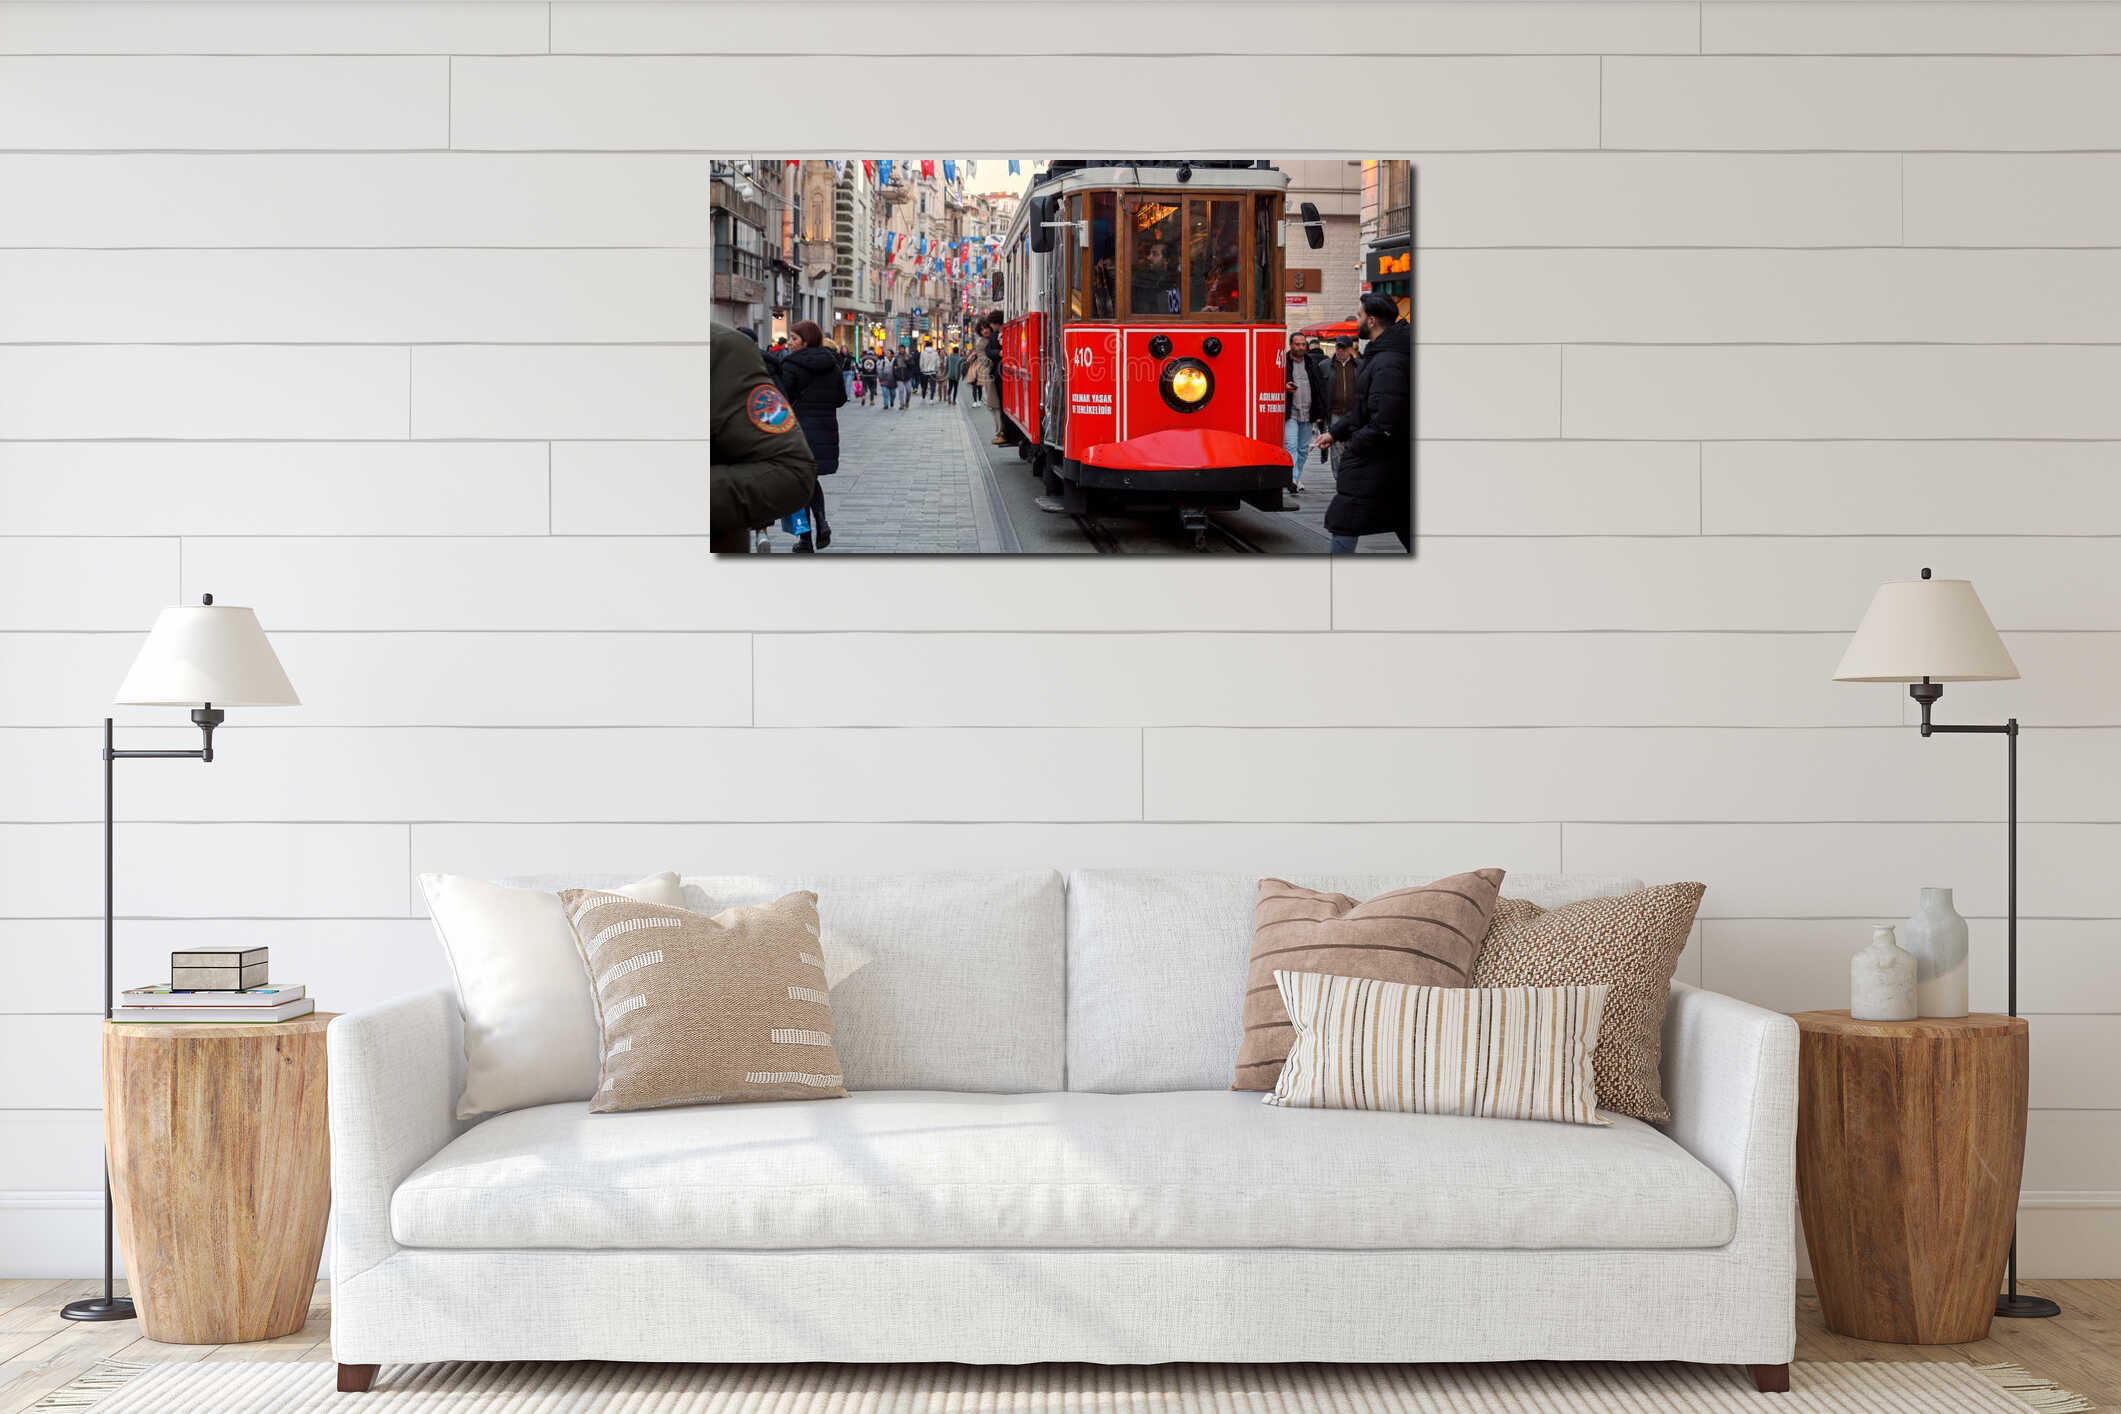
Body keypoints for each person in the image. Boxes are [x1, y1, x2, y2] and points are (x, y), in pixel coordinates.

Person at [1312, 294, 1411, 553]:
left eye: (1358, 316)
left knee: (1344, 520)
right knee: (1403, 520)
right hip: (1386, 463)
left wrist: (1355, 446)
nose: (1356, 321)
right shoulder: (1381, 356)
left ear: (1372, 320)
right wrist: (1334, 433)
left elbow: (1385, 422)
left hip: (1375, 461)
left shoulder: (1387, 361)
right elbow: (1363, 409)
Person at [708, 322, 815, 553]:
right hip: (793, 427)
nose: (791, 342)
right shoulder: (776, 361)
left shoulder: (721, 350)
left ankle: (800, 535)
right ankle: (807, 533)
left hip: (771, 432)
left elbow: (791, 471)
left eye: (795, 338)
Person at [776, 320, 845, 552]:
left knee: (801, 482)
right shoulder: (832, 364)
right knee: (810, 479)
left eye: (794, 338)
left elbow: (783, 399)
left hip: (799, 430)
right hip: (825, 429)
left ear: (805, 341)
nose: (790, 343)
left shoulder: (791, 364)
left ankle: (806, 538)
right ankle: (820, 524)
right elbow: (840, 399)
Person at [1282, 330, 1330, 496]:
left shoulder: (1311, 363)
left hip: (1308, 413)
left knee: (1303, 449)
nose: (1301, 347)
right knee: (1291, 446)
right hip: (1291, 413)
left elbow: (1319, 389)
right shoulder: (1284, 362)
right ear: (1291, 345)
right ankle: (1292, 480)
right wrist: (1284, 387)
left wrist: (1320, 412)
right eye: (1298, 344)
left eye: (1303, 344)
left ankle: (1295, 478)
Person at [1325, 335, 1359, 472]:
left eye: (1343, 348)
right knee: (1337, 447)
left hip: (1355, 413)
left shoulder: (1360, 366)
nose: (1339, 351)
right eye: (1338, 347)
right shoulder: (1326, 366)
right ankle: (1340, 478)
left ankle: (1351, 475)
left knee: (1354, 446)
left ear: (1350, 349)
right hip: (1335, 412)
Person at [982, 312, 1007, 445]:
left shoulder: (1005, 332)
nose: (990, 327)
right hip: (997, 372)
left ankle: (1003, 432)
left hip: (1001, 372)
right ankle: (1002, 431)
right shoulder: (994, 336)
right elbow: (988, 351)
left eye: (991, 324)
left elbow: (988, 351)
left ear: (997, 322)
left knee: (1001, 403)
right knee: (1000, 403)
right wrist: (999, 353)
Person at [964, 333, 989, 405]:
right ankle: (975, 401)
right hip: (973, 374)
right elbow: (968, 360)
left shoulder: (982, 355)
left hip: (980, 373)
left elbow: (986, 362)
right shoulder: (973, 355)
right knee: (974, 388)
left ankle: (979, 401)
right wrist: (972, 354)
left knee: (979, 388)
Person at [877, 343, 899, 409]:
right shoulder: (883, 361)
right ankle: (886, 404)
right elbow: (879, 370)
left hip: (893, 381)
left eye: (888, 353)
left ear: (892, 354)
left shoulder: (895, 361)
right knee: (885, 393)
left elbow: (898, 370)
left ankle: (892, 401)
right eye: (886, 353)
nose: (887, 354)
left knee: (893, 394)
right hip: (884, 381)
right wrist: (881, 380)